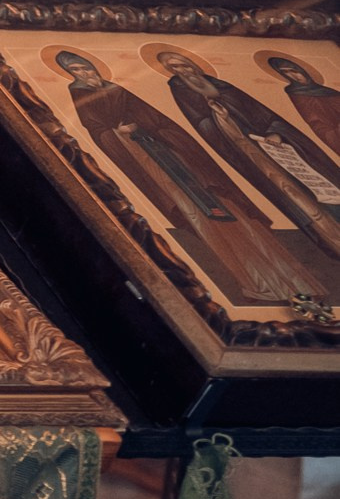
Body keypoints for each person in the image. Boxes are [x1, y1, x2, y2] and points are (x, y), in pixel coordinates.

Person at [52, 48, 322, 306]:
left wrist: (157, 133)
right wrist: (120, 134)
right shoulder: (80, 96)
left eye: (86, 67)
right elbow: (98, 132)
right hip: (153, 167)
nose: (85, 73)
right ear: (71, 75)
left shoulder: (118, 89)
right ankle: (256, 285)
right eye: (76, 70)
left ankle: (298, 284)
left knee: (237, 215)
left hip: (181, 161)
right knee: (202, 221)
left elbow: (164, 123)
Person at [153, 47, 340, 268]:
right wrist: (218, 118)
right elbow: (201, 123)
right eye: (173, 68)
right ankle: (331, 239)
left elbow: (265, 115)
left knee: (320, 187)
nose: (183, 71)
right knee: (293, 195)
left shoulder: (225, 87)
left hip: (279, 149)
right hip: (248, 154)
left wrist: (275, 132)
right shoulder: (182, 91)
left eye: (184, 64)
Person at [267, 54, 340, 160]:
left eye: (294, 71)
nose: (293, 76)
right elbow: (290, 117)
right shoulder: (294, 94)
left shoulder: (330, 92)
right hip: (326, 137)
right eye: (285, 72)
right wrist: (276, 132)